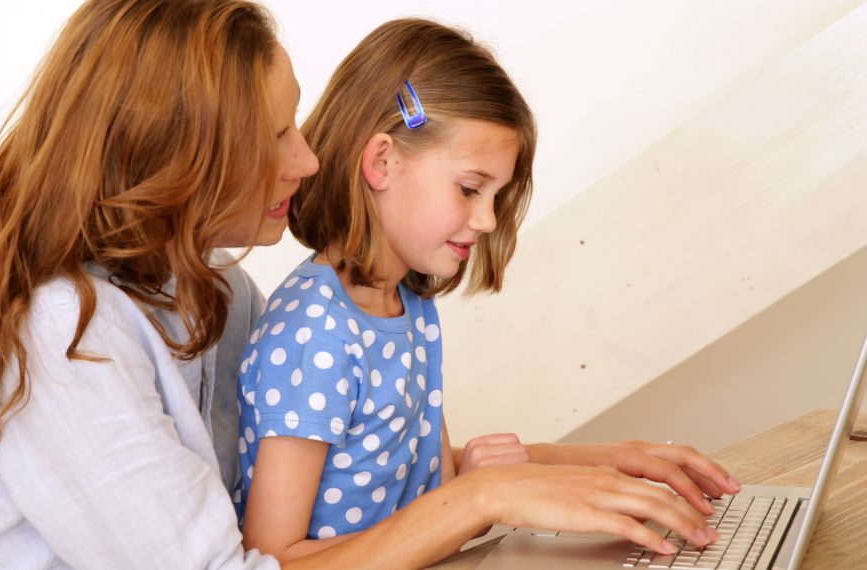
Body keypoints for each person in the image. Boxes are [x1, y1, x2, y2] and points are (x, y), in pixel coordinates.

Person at [0, 1, 738, 568]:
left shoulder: (221, 298)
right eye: (277, 132)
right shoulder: (59, 338)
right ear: (185, 154)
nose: (310, 158)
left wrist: (587, 467)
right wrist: (487, 495)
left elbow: (370, 470)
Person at [234, 18, 736, 564]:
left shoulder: (407, 306)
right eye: (471, 188)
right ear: (382, 161)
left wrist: (611, 460)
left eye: (495, 196)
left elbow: (417, 489)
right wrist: (467, 497)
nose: (488, 220)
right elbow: (275, 559)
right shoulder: (314, 332)